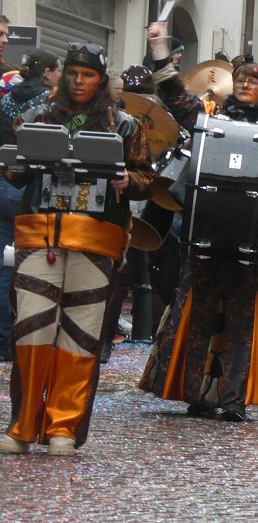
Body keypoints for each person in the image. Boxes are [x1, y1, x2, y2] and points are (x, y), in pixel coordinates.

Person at [139, 21, 258, 420]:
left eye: (255, 82)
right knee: (198, 313)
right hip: (205, 236)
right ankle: (196, 393)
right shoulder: (208, 114)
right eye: (241, 79)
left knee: (245, 321)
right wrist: (160, 50)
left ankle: (233, 400)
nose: (245, 85)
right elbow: (173, 97)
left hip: (255, 240)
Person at [0, 43, 153, 455]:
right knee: (32, 329)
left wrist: (128, 182)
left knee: (80, 336)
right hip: (40, 234)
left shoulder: (124, 125)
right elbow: (14, 176)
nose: (80, 81)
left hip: (94, 239)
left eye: (88, 75)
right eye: (73, 74)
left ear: (100, 79)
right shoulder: (36, 117)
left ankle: (63, 426)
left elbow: (147, 177)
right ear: (64, 76)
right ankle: (23, 426)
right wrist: (16, 159)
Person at [0, 50, 60, 361]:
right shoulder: (47, 104)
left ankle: (3, 336)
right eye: (59, 70)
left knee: (3, 266)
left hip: (4, 178)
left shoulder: (6, 98)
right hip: (31, 188)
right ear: (48, 73)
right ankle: (21, 338)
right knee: (30, 265)